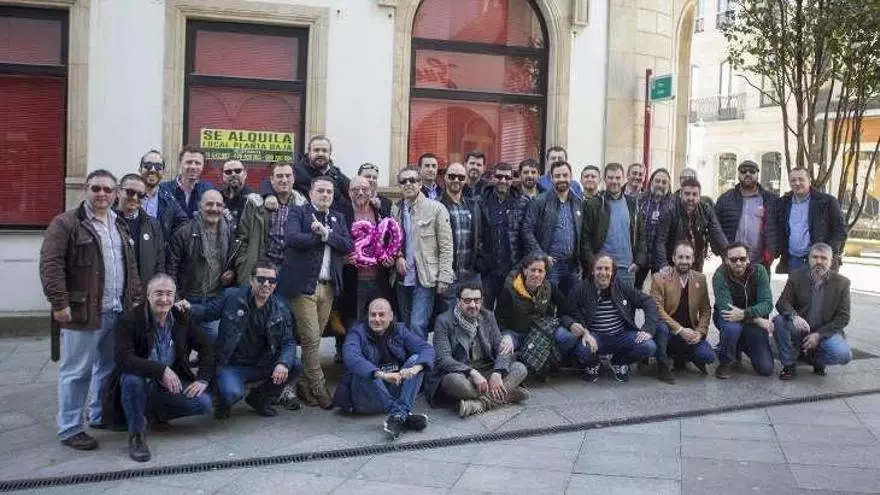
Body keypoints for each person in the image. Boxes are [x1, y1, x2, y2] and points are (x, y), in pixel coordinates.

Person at [39, 170, 143, 451]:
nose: (102, 194)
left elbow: (130, 266)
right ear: (86, 189)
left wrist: (134, 298)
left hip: (116, 310)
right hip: (82, 312)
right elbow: (51, 265)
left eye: (108, 190)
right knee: (76, 372)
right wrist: (59, 303)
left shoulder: (118, 224)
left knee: (106, 368)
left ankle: (98, 415)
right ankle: (70, 428)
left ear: (115, 193)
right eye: (96, 188)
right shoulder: (66, 223)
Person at [102, 274, 213, 462]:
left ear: (175, 297)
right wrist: (161, 370)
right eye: (158, 293)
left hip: (165, 387)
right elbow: (123, 359)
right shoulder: (130, 319)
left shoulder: (181, 318)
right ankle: (137, 435)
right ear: (148, 295)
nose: (164, 299)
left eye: (169, 294)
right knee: (131, 379)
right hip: (139, 383)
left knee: (203, 403)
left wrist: (203, 378)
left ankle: (152, 414)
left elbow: (206, 347)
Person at [182, 261, 300, 419]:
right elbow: (207, 312)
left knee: (295, 365)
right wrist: (187, 308)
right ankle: (222, 400)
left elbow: (289, 341)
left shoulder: (281, 308)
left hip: (262, 363)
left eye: (272, 281)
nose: (266, 284)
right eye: (261, 279)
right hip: (232, 365)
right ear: (251, 280)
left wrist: (283, 363)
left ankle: (259, 398)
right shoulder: (231, 296)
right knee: (232, 393)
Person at [278, 176, 354, 409]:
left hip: (328, 288)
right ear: (311, 193)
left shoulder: (338, 217)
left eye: (329, 192)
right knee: (311, 339)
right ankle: (320, 388)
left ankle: (303, 383)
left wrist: (326, 234)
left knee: (314, 340)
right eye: (320, 191)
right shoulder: (298, 213)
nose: (325, 195)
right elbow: (292, 238)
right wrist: (317, 236)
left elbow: (348, 245)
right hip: (303, 287)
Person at [333, 298, 434, 440]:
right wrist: (382, 375)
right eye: (373, 315)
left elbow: (427, 349)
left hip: (393, 390)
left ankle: (398, 417)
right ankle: (401, 413)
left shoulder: (400, 330)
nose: (377, 319)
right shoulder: (357, 333)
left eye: (381, 315)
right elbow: (351, 358)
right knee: (363, 369)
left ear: (391, 316)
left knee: (416, 360)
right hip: (366, 396)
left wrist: (415, 369)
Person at [428, 283, 529, 417]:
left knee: (520, 368)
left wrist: (498, 372)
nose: (473, 305)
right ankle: (506, 394)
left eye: (477, 300)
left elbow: (500, 348)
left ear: (482, 301)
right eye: (467, 301)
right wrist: (471, 372)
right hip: (459, 372)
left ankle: (479, 404)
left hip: (486, 369)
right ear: (458, 301)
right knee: (457, 383)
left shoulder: (488, 316)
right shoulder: (443, 321)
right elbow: (443, 359)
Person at [565, 254, 660, 383]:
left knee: (649, 346)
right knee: (583, 350)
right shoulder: (581, 288)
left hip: (621, 335)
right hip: (595, 337)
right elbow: (566, 311)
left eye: (607, 269)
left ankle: (619, 362)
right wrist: (579, 329)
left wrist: (648, 328)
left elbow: (648, 302)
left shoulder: (621, 286)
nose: (603, 273)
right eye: (599, 268)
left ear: (613, 272)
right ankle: (593, 364)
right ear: (592, 271)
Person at [773, 242, 852, 379]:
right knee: (779, 321)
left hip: (825, 331)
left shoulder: (842, 283)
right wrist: (794, 316)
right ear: (809, 259)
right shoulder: (796, 277)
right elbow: (782, 302)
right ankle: (789, 365)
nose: (819, 261)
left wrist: (819, 335)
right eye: (815, 257)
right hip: (800, 329)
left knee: (844, 355)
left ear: (831, 261)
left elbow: (843, 317)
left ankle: (816, 359)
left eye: (824, 258)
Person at [392, 167, 454, 339]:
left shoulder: (436, 209)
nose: (408, 184)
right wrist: (398, 256)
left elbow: (446, 246)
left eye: (412, 180)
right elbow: (392, 241)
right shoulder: (395, 210)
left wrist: (444, 277)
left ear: (420, 183)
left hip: (425, 276)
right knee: (405, 323)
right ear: (399, 186)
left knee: (418, 324)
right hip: (402, 276)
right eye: (403, 181)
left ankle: (419, 356)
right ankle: (412, 353)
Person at [167, 189, 237, 341]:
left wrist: (232, 272)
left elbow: (235, 260)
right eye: (209, 204)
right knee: (181, 344)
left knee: (213, 340)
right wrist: (176, 299)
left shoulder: (231, 232)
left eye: (219, 205)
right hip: (187, 298)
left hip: (214, 300)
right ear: (200, 206)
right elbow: (171, 269)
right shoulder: (183, 233)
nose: (214, 208)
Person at [495, 253, 579, 371]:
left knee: (568, 337)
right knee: (505, 347)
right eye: (533, 270)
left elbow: (567, 308)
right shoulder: (509, 289)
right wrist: (506, 336)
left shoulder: (549, 287)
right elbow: (499, 320)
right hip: (515, 332)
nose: (536, 274)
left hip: (540, 331)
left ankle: (550, 363)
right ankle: (499, 373)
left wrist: (573, 324)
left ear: (545, 273)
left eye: (540, 271)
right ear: (525, 271)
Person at [650, 242, 715, 383]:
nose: (684, 261)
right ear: (673, 258)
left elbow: (705, 309)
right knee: (661, 327)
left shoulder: (700, 278)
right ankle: (662, 364)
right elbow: (657, 309)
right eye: (680, 257)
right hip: (668, 332)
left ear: (693, 259)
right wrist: (680, 330)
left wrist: (700, 332)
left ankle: (680, 357)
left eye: (687, 257)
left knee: (708, 356)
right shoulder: (659, 278)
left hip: (690, 333)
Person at [234, 162, 307, 285]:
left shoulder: (303, 206)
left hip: (288, 270)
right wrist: (243, 263)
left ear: (294, 179)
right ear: (272, 180)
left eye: (288, 176)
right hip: (260, 268)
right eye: (279, 176)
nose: (284, 180)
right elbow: (242, 238)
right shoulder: (255, 204)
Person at [712, 243, 775, 379]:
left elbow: (767, 304)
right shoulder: (720, 275)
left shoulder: (760, 271)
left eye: (742, 258)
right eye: (733, 259)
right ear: (726, 260)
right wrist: (756, 319)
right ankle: (725, 362)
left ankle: (738, 345)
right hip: (729, 319)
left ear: (748, 258)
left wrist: (746, 315)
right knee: (732, 329)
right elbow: (726, 309)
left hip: (752, 322)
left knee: (766, 368)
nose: (738, 263)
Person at [522, 160, 584, 294]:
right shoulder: (539, 201)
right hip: (549, 266)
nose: (561, 179)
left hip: (572, 266)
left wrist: (580, 262)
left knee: (571, 303)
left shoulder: (578, 202)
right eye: (557, 176)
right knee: (547, 302)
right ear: (551, 178)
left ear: (571, 177)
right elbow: (527, 231)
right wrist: (542, 256)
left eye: (565, 175)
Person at [580, 162, 646, 288]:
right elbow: (585, 238)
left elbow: (641, 236)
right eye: (610, 178)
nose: (614, 181)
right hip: (602, 269)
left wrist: (638, 262)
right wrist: (592, 262)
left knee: (625, 301)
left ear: (624, 179)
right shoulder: (594, 204)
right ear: (604, 179)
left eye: (617, 178)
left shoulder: (633, 205)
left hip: (627, 269)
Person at [342, 176, 394, 327]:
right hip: (353, 280)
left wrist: (391, 258)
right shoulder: (342, 214)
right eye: (355, 189)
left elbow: (390, 239)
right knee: (353, 323)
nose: (360, 192)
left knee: (380, 323)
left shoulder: (381, 211)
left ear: (371, 191)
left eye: (364, 189)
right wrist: (342, 260)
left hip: (379, 278)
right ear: (349, 192)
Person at [776, 167, 846, 274]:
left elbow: (840, 230)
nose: (797, 183)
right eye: (793, 180)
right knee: (795, 286)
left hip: (820, 261)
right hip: (794, 261)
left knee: (820, 286)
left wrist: (826, 252)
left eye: (801, 179)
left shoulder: (826, 202)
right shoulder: (783, 203)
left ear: (809, 181)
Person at [715, 160, 780, 273]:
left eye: (752, 171)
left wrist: (774, 251)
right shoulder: (725, 199)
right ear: (738, 175)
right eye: (743, 171)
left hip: (760, 262)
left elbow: (779, 227)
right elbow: (714, 226)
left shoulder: (771, 200)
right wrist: (720, 251)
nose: (748, 174)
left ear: (758, 174)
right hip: (732, 261)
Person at [440, 162, 488, 310]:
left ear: (465, 179)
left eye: (460, 177)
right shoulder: (437, 205)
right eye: (452, 176)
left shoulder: (473, 205)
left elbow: (481, 236)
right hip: (448, 275)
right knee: (449, 316)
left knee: (473, 315)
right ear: (445, 177)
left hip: (471, 274)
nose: (456, 180)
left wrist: (480, 261)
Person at [480, 163, 528, 310]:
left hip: (511, 267)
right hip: (488, 268)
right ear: (492, 178)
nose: (503, 180)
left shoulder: (522, 202)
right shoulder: (480, 201)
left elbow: (526, 234)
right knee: (485, 310)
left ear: (512, 180)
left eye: (507, 177)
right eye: (499, 176)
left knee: (508, 310)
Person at [655, 178, 727, 272]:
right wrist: (663, 265)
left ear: (699, 196)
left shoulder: (706, 209)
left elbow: (717, 233)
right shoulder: (669, 209)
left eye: (694, 194)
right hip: (673, 261)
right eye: (687, 194)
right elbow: (660, 240)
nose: (691, 198)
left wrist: (729, 253)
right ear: (681, 194)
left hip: (696, 261)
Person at [116, 174, 165, 286]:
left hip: (143, 290)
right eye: (130, 192)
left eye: (140, 195)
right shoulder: (108, 221)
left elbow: (159, 263)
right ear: (118, 192)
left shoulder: (153, 225)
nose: (134, 197)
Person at [138, 150, 188, 245]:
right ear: (140, 169)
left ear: (163, 172)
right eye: (148, 165)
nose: (153, 170)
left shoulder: (169, 199)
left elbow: (183, 225)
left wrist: (169, 246)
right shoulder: (129, 195)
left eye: (158, 167)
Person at [635, 168, 674, 289]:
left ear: (669, 185)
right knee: (635, 289)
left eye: (664, 182)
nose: (660, 185)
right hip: (641, 255)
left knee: (659, 291)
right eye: (657, 181)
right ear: (651, 182)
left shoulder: (673, 205)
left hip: (662, 258)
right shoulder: (640, 201)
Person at [293, 135, 351, 212]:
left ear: (330, 153)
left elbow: (353, 190)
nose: (320, 154)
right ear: (309, 152)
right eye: (316, 150)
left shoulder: (336, 174)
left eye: (324, 150)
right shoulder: (297, 171)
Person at [158, 145, 215, 219]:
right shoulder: (164, 189)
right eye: (189, 162)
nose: (193, 166)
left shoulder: (208, 190)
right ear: (180, 163)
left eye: (198, 163)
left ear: (203, 166)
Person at [218, 159, 255, 233]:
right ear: (223, 176)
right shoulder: (218, 197)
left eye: (238, 171)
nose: (233, 174)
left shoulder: (253, 200)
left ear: (245, 174)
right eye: (228, 172)